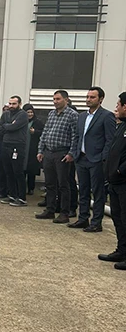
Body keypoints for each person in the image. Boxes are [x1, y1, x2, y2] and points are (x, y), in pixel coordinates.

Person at [69, 87, 116, 232]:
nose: (88, 99)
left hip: (96, 160)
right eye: (88, 97)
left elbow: (110, 139)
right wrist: (75, 152)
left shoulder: (106, 116)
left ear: (100, 99)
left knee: (97, 192)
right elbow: (77, 136)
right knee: (82, 190)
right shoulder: (82, 116)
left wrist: (103, 158)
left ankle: (96, 222)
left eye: (92, 97)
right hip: (81, 158)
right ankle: (83, 218)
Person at [35, 90, 79, 224]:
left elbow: (75, 136)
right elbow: (45, 132)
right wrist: (40, 150)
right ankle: (50, 210)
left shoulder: (73, 115)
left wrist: (71, 153)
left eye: (58, 99)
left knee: (63, 184)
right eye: (54, 99)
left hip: (62, 153)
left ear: (66, 99)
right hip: (49, 152)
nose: (55, 101)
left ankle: (64, 213)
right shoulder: (51, 114)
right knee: (49, 184)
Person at [98, 92, 126, 269]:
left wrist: (119, 170)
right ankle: (121, 250)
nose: (116, 107)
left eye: (118, 104)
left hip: (123, 181)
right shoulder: (121, 126)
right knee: (118, 218)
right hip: (114, 182)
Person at [0, 96, 29, 207]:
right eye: (10, 103)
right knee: (8, 172)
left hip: (17, 146)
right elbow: (0, 128)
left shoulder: (23, 114)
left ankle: (22, 197)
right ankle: (12, 195)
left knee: (17, 172)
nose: (11, 106)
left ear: (19, 104)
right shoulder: (5, 114)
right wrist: (8, 125)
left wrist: (7, 125)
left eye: (14, 104)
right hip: (5, 145)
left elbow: (14, 127)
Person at [24, 104, 45, 196]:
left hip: (32, 149)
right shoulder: (22, 121)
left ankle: (31, 188)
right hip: (23, 148)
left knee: (31, 170)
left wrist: (35, 132)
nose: (30, 114)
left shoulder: (38, 122)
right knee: (22, 169)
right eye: (28, 112)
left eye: (31, 112)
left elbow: (44, 133)